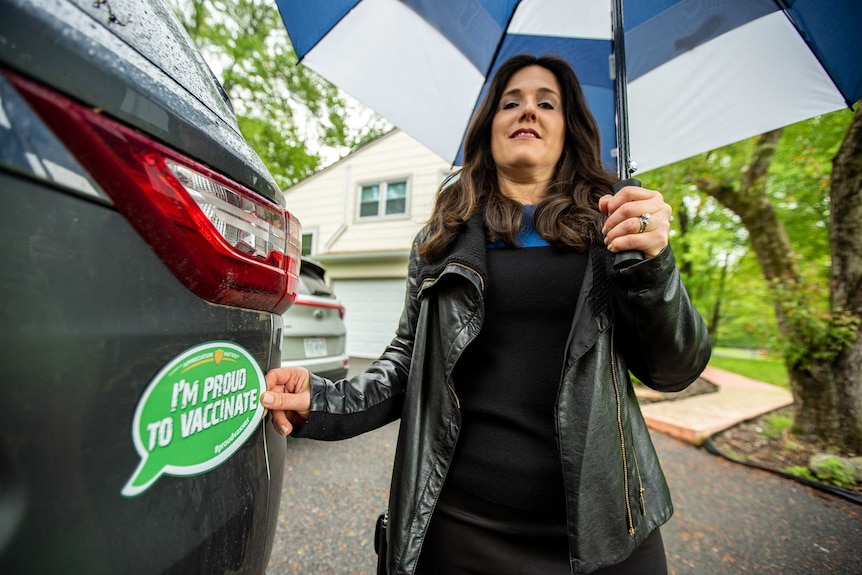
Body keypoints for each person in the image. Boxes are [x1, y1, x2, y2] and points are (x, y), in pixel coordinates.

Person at [262, 54, 711, 575]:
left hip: (604, 534)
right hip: (462, 528)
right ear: (487, 129)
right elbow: (408, 365)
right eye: (510, 102)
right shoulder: (440, 242)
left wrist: (653, 265)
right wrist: (322, 400)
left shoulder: (614, 234)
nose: (528, 111)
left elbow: (675, 369)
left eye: (547, 102)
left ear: (570, 132)